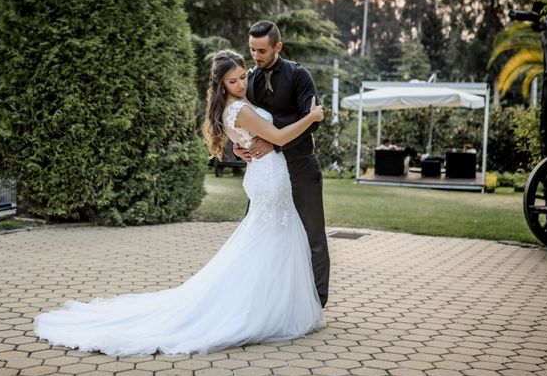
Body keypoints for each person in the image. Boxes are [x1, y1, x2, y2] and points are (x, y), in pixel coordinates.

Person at [33, 50, 325, 356]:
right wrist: (312, 117)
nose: (240, 84)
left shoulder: (230, 106)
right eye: (233, 80)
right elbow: (278, 137)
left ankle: (269, 305)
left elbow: (250, 138)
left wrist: (242, 147)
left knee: (268, 242)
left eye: (243, 77)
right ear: (222, 84)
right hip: (268, 180)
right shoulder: (239, 108)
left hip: (265, 176)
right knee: (269, 241)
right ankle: (258, 311)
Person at [234, 20, 330, 308]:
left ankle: (316, 304)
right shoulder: (248, 79)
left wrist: (274, 140)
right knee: (258, 231)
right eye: (252, 50)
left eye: (261, 50)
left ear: (278, 46)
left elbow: (310, 121)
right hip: (266, 173)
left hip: (301, 165)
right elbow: (238, 118)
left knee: (312, 235)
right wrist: (237, 147)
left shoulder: (300, 76)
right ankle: (264, 302)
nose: (255, 56)